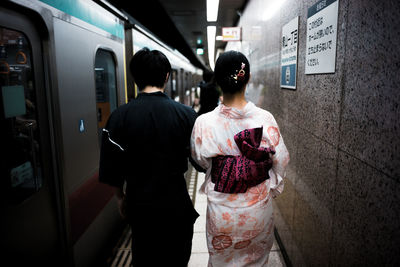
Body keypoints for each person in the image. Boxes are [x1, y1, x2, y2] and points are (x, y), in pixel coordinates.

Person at [99, 47, 199, 267]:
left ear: (135, 78)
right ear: (166, 76)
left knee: (145, 258)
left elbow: (112, 168)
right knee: (177, 259)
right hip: (176, 202)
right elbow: (199, 161)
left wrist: (120, 198)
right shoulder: (187, 115)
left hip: (140, 204)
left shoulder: (118, 117)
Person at [190, 50, 289, 266]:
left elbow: (199, 159)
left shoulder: (203, 122)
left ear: (216, 80)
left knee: (221, 260)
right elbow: (281, 159)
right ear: (249, 78)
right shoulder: (265, 118)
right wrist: (270, 186)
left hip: (221, 210)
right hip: (257, 209)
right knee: (257, 260)